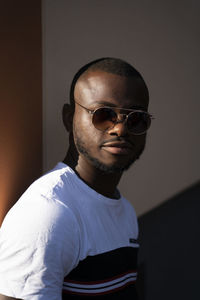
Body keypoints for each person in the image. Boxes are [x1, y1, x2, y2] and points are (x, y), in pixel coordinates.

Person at [0, 57, 153, 300]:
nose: (120, 129)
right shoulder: (48, 215)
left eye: (136, 119)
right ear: (68, 118)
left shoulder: (124, 210)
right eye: (103, 115)